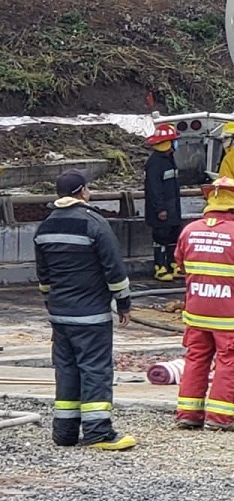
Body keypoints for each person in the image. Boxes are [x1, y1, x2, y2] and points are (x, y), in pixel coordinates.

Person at [35, 170, 136, 451]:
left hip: (60, 314)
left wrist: (51, 304)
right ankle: (98, 432)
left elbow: (43, 277)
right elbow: (114, 270)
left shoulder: (45, 227)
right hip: (90, 315)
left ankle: (65, 433)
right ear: (83, 192)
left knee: (66, 370)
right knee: (95, 370)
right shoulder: (94, 224)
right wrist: (123, 303)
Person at [175, 177, 234, 431]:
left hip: (196, 313)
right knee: (228, 363)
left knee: (195, 359)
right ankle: (219, 418)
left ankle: (188, 413)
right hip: (231, 316)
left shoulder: (189, 231)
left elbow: (180, 263)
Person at [144, 122, 182, 282]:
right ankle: (160, 267)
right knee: (161, 237)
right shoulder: (154, 163)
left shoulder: (169, 159)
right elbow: (154, 189)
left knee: (173, 236)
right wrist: (160, 209)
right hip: (160, 210)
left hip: (173, 208)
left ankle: (173, 264)